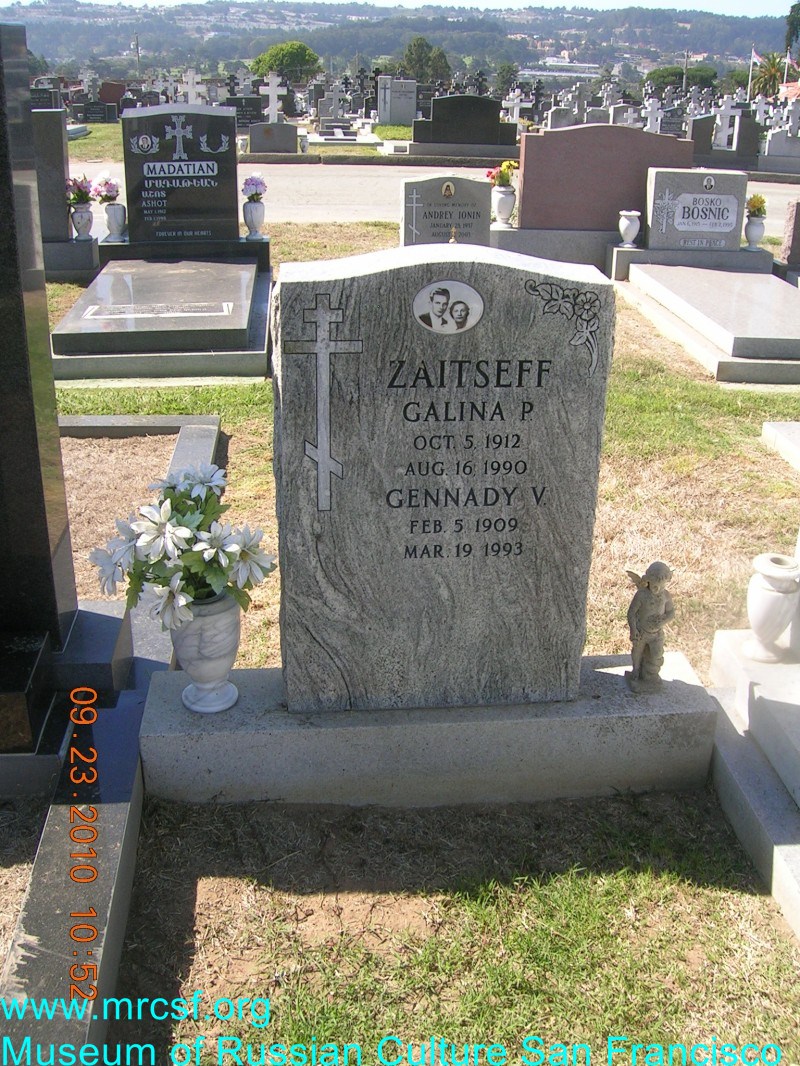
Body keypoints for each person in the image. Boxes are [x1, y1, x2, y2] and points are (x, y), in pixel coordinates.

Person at [625, 561, 675, 690]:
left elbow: (671, 612)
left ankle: (650, 674)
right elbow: (631, 613)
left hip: (657, 634)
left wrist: (663, 621)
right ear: (648, 580)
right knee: (637, 652)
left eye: (661, 586)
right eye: (654, 585)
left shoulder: (665, 596)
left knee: (657, 654)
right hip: (642, 632)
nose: (657, 589)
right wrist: (633, 630)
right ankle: (636, 670)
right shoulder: (642, 595)